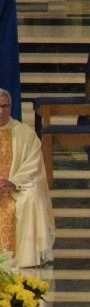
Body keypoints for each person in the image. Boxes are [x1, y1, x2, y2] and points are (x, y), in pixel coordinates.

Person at [0, 88, 54, 268]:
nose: (1, 111)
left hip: (16, 187)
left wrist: (13, 183)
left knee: (31, 198)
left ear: (11, 107)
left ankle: (26, 257)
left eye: (5, 106)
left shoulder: (24, 133)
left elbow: (34, 165)